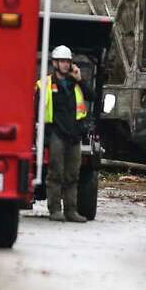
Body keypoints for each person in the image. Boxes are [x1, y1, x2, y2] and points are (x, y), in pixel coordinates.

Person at [35, 45, 93, 223]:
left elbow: (92, 97)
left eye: (68, 61)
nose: (66, 65)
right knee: (56, 174)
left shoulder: (76, 84)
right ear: (54, 63)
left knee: (72, 175)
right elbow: (35, 108)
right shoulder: (44, 84)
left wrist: (80, 80)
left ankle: (71, 211)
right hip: (56, 135)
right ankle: (55, 210)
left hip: (74, 135)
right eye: (62, 61)